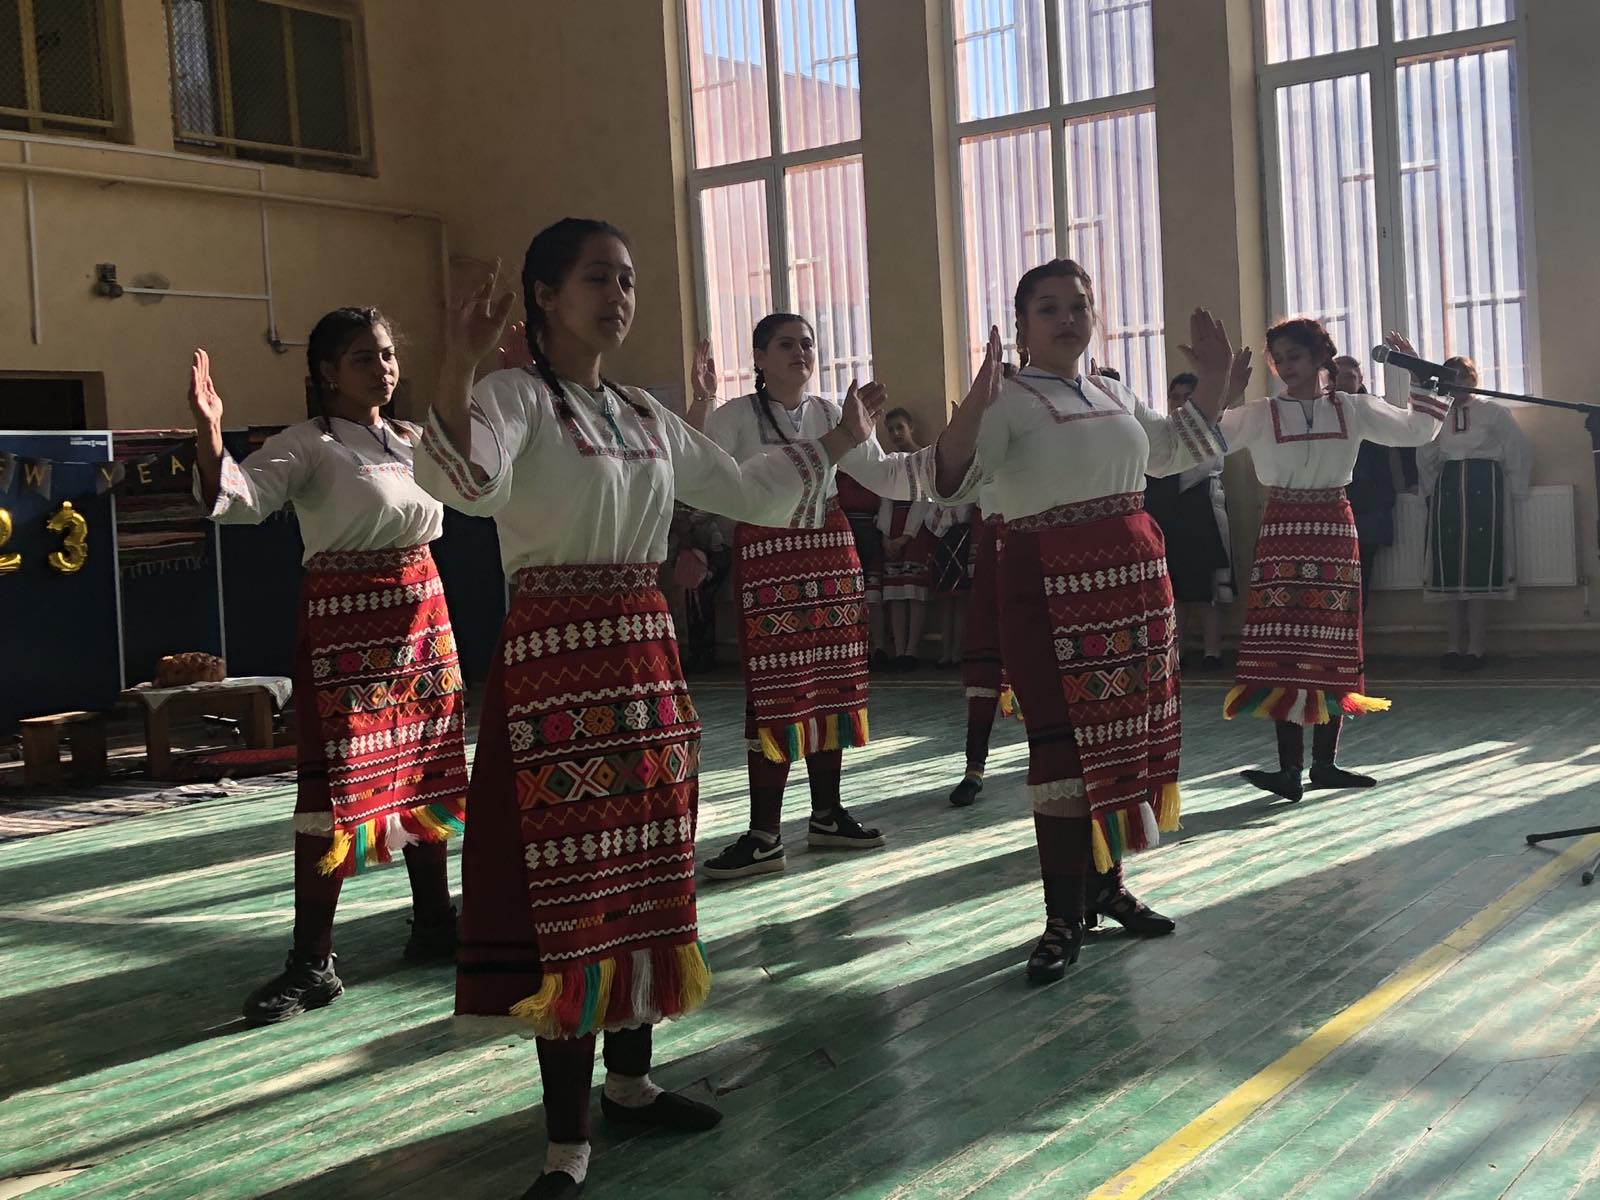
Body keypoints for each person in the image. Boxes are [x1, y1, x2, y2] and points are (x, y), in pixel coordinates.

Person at [414, 218, 882, 1199]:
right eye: (597, 278)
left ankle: (630, 1085)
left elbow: (749, 491)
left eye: (626, 280)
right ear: (545, 295)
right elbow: (468, 483)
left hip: (646, 663)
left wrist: (840, 439)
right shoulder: (512, 396)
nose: (618, 296)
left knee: (646, 875)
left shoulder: (641, 411)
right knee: (571, 893)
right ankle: (564, 1143)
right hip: (556, 670)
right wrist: (456, 365)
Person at [929, 258, 1243, 983]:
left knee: (1120, 740)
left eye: (1078, 305)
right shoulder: (1006, 399)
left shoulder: (1110, 390)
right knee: (1063, 749)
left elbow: (1171, 451)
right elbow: (952, 482)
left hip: (1132, 588)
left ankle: (1106, 886)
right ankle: (1060, 916)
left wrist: (1216, 381)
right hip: (1046, 587)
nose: (1067, 318)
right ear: (1021, 325)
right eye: (1048, 308)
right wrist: (972, 408)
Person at [188, 308, 468, 1026]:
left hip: (424, 624)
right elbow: (238, 502)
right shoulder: (307, 444)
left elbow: (480, 482)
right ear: (327, 373)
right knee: (332, 792)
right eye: (363, 358)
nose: (382, 369)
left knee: (426, 774)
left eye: (387, 354)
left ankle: (435, 923)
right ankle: (312, 962)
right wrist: (211, 434)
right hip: (346, 634)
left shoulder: (414, 440)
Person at [699, 313, 928, 879]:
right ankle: (764, 833)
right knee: (774, 696)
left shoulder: (830, 413)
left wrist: (949, 461)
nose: (800, 352)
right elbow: (711, 483)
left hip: (831, 556)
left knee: (832, 687)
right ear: (759, 358)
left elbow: (882, 474)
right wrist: (701, 405)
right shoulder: (733, 417)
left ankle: (827, 815)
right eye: (786, 344)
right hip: (769, 561)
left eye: (807, 343)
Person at [1220, 318, 1446, 802]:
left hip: (1334, 530)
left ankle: (1324, 764)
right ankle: (1288, 769)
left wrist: (1421, 378)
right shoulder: (1260, 413)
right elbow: (1205, 440)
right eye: (1279, 359)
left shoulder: (1353, 408)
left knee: (1333, 645)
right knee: (1282, 647)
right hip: (1281, 530)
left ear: (1320, 358)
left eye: (1295, 356)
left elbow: (1418, 431)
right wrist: (1224, 390)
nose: (1285, 366)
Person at [1416, 355, 1533, 670]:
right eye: (1450, 377)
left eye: (1462, 377)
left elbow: (1517, 449)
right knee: (1451, 570)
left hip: (1485, 490)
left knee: (1480, 568)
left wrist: (1518, 488)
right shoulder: (1438, 414)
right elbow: (1426, 453)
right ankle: (1453, 647)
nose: (1457, 383)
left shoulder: (1493, 412)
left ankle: (1476, 650)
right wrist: (1428, 492)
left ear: (1472, 380)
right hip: (1449, 492)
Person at [1142, 371, 1233, 668]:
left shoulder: (1212, 428)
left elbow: (1194, 471)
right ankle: (1176, 651)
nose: (1180, 404)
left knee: (1209, 589)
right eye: (1175, 398)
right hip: (1169, 515)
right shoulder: (1162, 432)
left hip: (1203, 512)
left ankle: (1212, 652)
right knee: (1174, 587)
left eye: (1187, 398)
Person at [946, 482, 1018, 807]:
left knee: (1047, 656)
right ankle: (974, 766)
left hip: (1043, 534)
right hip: (997, 543)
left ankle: (1055, 762)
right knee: (985, 652)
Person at [1335, 355, 1406, 610]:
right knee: (1332, 577)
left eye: (1350, 376)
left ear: (1360, 380)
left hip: (1370, 505)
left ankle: (1356, 632)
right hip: (1333, 504)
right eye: (1338, 376)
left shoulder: (1374, 409)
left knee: (1361, 578)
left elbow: (1403, 439)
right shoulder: (1321, 409)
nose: (1344, 382)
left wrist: (1406, 484)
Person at [878, 408, 935, 669]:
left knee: (913, 592)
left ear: (911, 427)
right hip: (893, 526)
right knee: (896, 593)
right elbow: (885, 498)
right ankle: (899, 650)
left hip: (915, 529)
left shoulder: (925, 457)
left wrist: (906, 536)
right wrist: (886, 535)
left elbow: (924, 498)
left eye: (900, 427)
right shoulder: (890, 461)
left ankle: (911, 651)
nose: (896, 434)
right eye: (891, 430)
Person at [928, 500, 976, 668]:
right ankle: (946, 652)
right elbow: (929, 519)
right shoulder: (938, 493)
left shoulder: (966, 490)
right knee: (945, 599)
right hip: (942, 543)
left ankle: (958, 652)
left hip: (964, 540)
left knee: (961, 599)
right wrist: (946, 519)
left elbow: (964, 514)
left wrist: (943, 517)